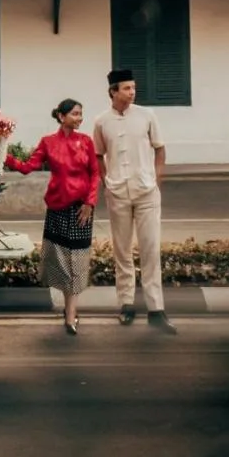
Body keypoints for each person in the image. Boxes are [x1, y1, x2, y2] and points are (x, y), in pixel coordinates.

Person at [4, 98, 99, 335]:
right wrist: (2, 155)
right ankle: (68, 310)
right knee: (61, 260)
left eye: (81, 114)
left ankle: (70, 315)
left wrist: (89, 202)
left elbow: (95, 175)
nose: (80, 118)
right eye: (75, 114)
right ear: (61, 116)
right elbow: (27, 167)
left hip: (81, 210)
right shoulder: (48, 142)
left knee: (77, 260)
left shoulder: (86, 141)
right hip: (57, 207)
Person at [92, 68, 177, 334]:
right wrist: (106, 181)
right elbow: (97, 155)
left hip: (146, 191)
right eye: (127, 88)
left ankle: (156, 309)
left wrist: (156, 181)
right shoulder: (101, 121)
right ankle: (126, 304)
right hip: (118, 192)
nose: (132, 92)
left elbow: (160, 149)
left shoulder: (147, 115)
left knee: (150, 249)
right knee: (122, 250)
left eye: (133, 88)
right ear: (113, 92)